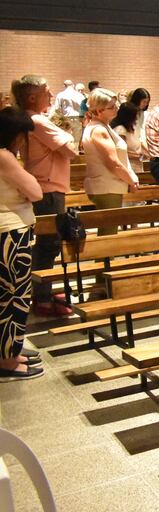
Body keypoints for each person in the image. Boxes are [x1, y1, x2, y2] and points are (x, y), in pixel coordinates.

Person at [11, 75, 78, 315]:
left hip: (47, 186)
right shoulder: (38, 120)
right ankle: (42, 298)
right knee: (48, 245)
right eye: (46, 92)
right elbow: (71, 150)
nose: (51, 96)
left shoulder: (32, 119)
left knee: (47, 244)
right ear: (31, 97)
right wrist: (68, 135)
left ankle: (44, 290)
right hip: (48, 189)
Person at [0, 108, 45, 380]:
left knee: (9, 295)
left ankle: (10, 351)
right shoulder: (4, 156)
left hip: (10, 232)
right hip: (11, 234)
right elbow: (35, 191)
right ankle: (7, 360)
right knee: (13, 298)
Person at [81, 88, 139, 234]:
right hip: (106, 186)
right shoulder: (98, 130)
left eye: (116, 105)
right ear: (99, 111)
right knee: (108, 233)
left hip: (109, 185)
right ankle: (104, 258)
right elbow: (113, 163)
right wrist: (130, 180)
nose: (117, 108)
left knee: (109, 230)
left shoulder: (104, 126)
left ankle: (105, 258)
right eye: (112, 107)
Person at [110, 102, 143, 174]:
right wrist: (137, 155)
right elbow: (121, 151)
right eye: (134, 116)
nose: (136, 118)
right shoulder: (120, 129)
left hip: (136, 164)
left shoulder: (131, 128)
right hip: (128, 166)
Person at [53, 79, 84, 144]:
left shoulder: (61, 95)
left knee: (66, 138)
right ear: (73, 85)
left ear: (64, 86)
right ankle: (75, 152)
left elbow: (57, 108)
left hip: (66, 118)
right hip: (78, 118)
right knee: (76, 140)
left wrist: (61, 117)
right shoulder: (80, 95)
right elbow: (84, 108)